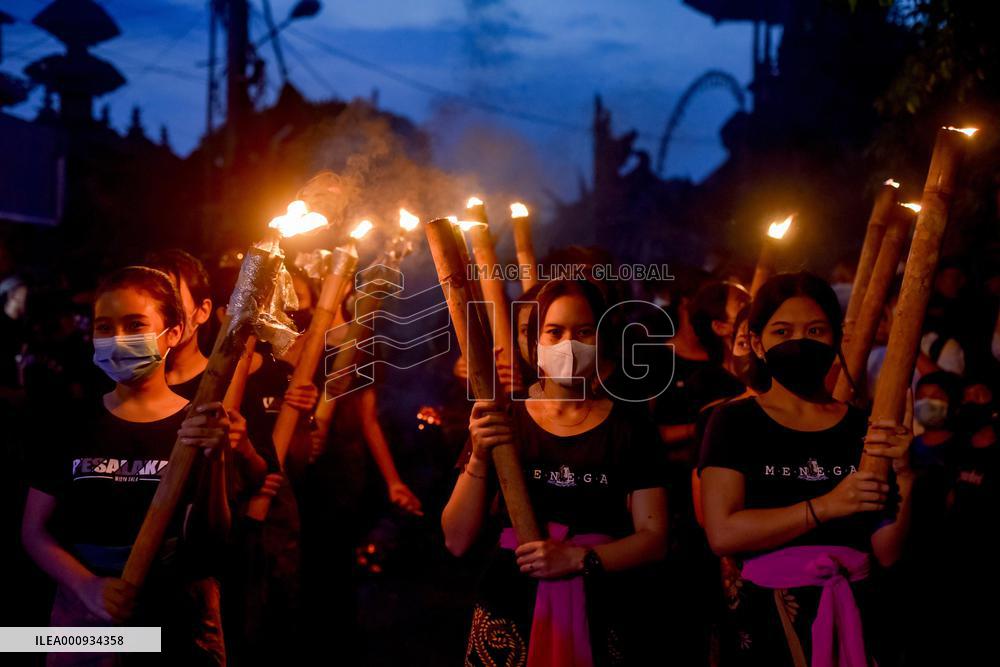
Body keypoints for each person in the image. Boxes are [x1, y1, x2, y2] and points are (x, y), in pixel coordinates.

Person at [442, 279, 668, 665]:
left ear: (601, 341)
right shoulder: (505, 419)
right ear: (536, 342)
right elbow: (456, 539)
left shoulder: (630, 425)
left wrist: (579, 558)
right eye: (555, 331)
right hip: (511, 605)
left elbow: (655, 537)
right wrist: (479, 456)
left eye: (584, 331)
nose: (569, 343)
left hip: (600, 603)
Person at [699, 272, 913, 667]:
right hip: (769, 618)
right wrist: (824, 507)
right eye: (783, 331)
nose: (800, 342)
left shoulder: (861, 428)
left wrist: (904, 472)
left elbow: (888, 551)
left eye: (815, 329)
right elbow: (723, 533)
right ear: (759, 344)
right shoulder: (734, 422)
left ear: (835, 340)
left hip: (856, 608)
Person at [21, 266, 231, 665]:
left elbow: (213, 542)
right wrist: (87, 586)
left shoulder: (198, 425)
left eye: (135, 324)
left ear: (173, 333)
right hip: (83, 621)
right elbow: (33, 532)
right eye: (104, 326)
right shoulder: (68, 423)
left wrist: (217, 460)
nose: (118, 339)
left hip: (173, 621)